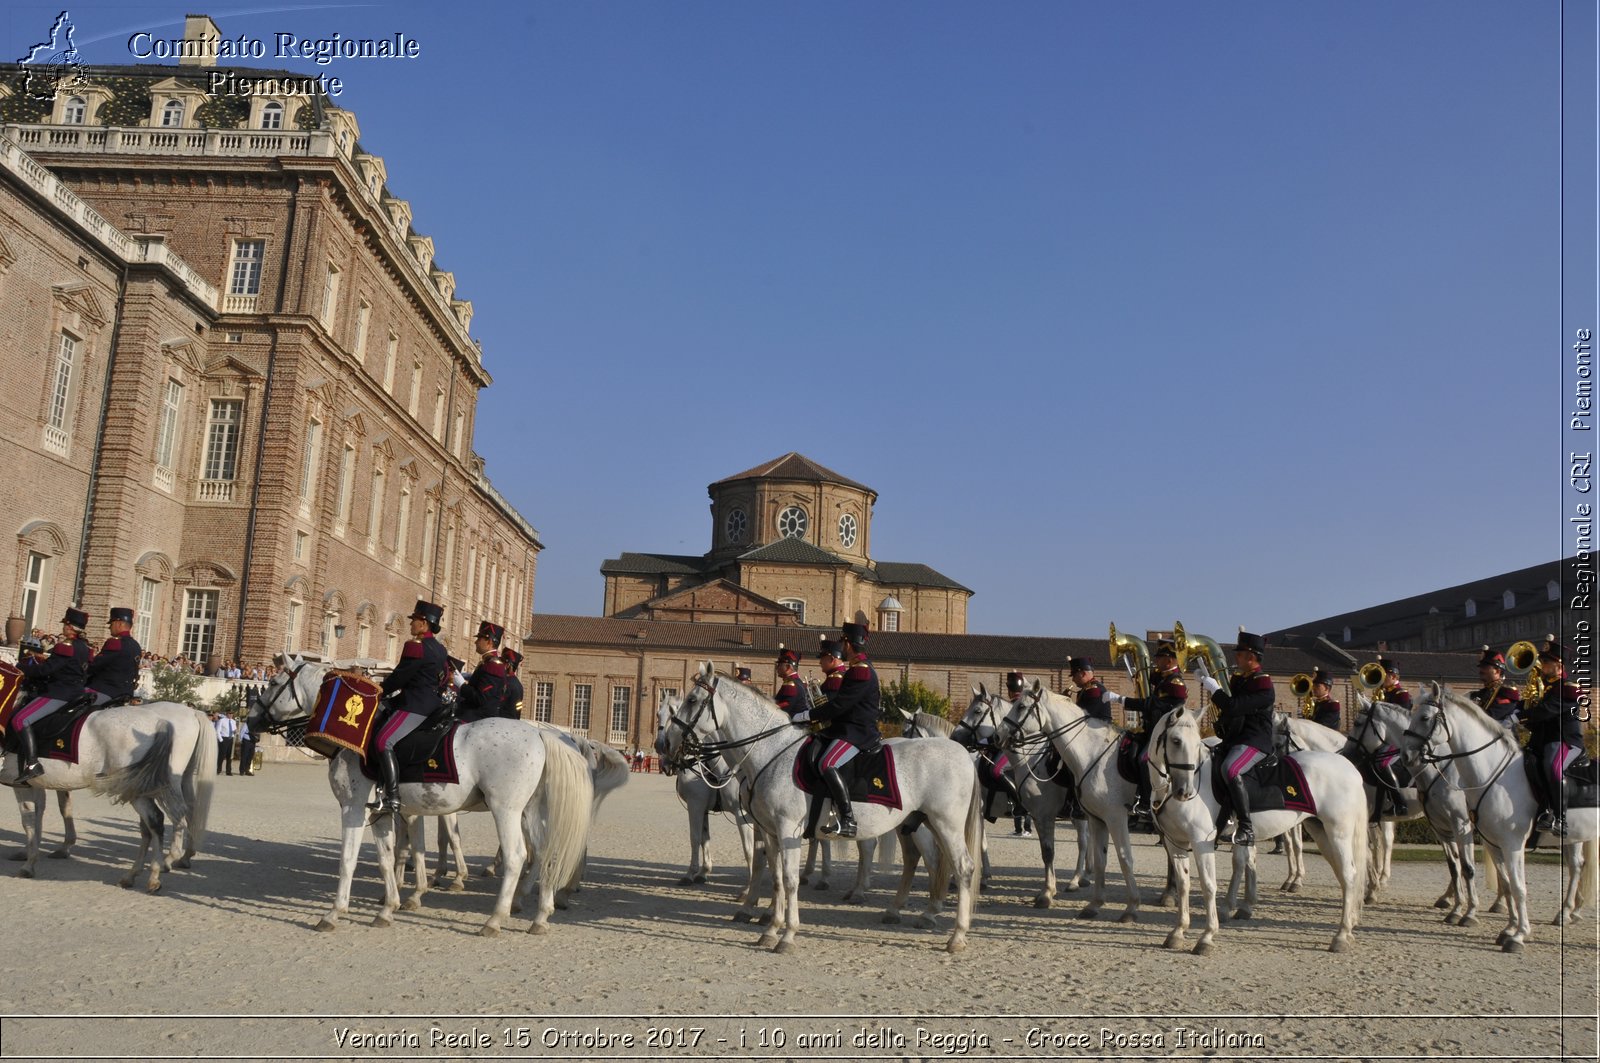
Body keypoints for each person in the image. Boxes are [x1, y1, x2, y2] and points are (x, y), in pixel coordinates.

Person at [791, 622, 880, 839]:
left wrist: (807, 715)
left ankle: (848, 819)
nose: (841, 645)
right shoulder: (857, 669)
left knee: (827, 763)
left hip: (858, 732)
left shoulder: (860, 671)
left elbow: (839, 705)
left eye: (842, 641)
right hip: (847, 728)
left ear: (848, 643)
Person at [1198, 630, 1275, 846]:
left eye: (1239, 654)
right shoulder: (1241, 679)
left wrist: (1214, 689)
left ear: (1251, 657)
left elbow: (1233, 707)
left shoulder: (1263, 683)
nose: (1236, 658)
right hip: (1236, 738)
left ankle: (1246, 827)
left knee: (1230, 769)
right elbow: (1227, 708)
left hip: (1255, 740)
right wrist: (1208, 682)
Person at [371, 600, 448, 814]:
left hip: (415, 705)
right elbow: (444, 679)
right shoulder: (440, 649)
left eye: (414, 620)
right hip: (432, 704)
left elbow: (400, 677)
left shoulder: (415, 646)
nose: (411, 624)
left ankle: (393, 796)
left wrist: (378, 691)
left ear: (424, 623)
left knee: (383, 741)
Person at [12, 608, 93, 783]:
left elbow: (46, 670)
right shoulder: (84, 647)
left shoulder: (66, 645)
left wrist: (22, 667)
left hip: (59, 693)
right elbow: (64, 665)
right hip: (76, 692)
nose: (63, 627)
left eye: (65, 624)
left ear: (70, 627)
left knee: (20, 720)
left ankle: (33, 764)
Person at [1109, 640, 1187, 817]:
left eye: (1159, 658)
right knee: (1130, 749)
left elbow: (1152, 704)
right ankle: (1136, 793)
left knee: (1146, 759)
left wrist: (1121, 700)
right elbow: (1150, 676)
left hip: (1168, 732)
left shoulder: (1176, 683)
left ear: (1168, 661)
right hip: (1153, 730)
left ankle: (1146, 801)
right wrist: (1137, 676)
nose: (1155, 662)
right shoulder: (1165, 677)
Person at [1523, 636, 1585, 835]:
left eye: (1546, 662)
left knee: (1553, 766)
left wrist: (1520, 717)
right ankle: (1544, 809)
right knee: (1527, 763)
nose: (1542, 664)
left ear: (1558, 665)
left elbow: (1549, 710)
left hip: (1564, 740)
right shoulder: (1544, 687)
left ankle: (1561, 819)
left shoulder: (1569, 688)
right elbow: (1534, 713)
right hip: (1541, 741)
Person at [1369, 657, 1411, 815]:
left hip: (1398, 738)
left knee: (1382, 762)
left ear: (1394, 676)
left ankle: (1399, 802)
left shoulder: (1402, 695)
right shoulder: (1383, 694)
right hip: (1383, 738)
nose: (1380, 679)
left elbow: (1401, 721)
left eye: (1383, 675)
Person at [454, 620, 509, 724]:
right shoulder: (487, 662)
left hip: (478, 718)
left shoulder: (493, 666)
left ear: (489, 642)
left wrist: (461, 684)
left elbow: (481, 699)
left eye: (479, 638)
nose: (476, 642)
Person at [85, 607, 142, 706]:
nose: (109, 627)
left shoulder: (115, 642)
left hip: (106, 690)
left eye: (111, 624)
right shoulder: (136, 645)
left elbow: (96, 665)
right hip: (126, 693)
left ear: (119, 624)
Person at [1469, 646, 1522, 727]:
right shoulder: (1480, 693)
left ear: (1497, 671)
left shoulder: (1506, 695)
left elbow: (1488, 718)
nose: (1481, 671)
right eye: (1481, 667)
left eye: (1485, 667)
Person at [773, 644, 812, 717]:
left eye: (779, 665)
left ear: (788, 667)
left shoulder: (790, 683)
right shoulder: (796, 681)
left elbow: (784, 707)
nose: (777, 668)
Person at [499, 647, 524, 720]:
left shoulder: (508, 684)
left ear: (508, 665)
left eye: (502, 662)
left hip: (503, 722)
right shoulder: (516, 683)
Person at [213, 708, 236, 775]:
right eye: (229, 713)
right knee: (221, 756)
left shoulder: (233, 721)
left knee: (229, 756)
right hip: (224, 739)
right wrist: (221, 740)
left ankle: (228, 771)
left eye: (232, 714)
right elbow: (217, 731)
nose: (231, 715)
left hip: (230, 739)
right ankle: (218, 769)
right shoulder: (222, 721)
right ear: (226, 714)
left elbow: (234, 730)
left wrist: (234, 732)